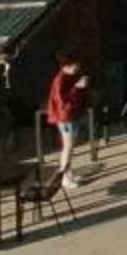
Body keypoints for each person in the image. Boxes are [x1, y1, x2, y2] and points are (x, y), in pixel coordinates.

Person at [41, 54, 89, 194]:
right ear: (66, 66)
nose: (77, 68)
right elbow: (64, 102)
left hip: (71, 115)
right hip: (65, 117)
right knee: (67, 147)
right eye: (75, 65)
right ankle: (64, 177)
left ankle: (69, 173)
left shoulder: (69, 77)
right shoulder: (60, 80)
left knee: (70, 147)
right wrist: (77, 88)